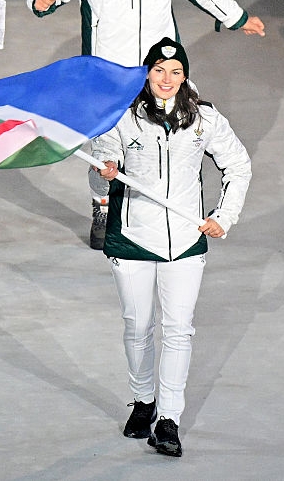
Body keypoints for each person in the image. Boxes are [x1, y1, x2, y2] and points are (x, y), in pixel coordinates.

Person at [26, 0, 265, 251]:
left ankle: (159, 208)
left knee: (168, 138)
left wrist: (237, 17)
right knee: (105, 150)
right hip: (108, 72)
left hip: (161, 68)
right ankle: (103, 204)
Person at [93, 37, 251, 458]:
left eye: (176, 72)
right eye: (159, 71)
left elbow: (238, 164)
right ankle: (144, 401)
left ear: (185, 76)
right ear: (146, 74)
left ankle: (169, 420)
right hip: (131, 238)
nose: (167, 79)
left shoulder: (204, 119)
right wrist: (104, 171)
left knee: (179, 329)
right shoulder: (121, 117)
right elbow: (98, 171)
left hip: (185, 241)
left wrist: (224, 215)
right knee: (138, 326)